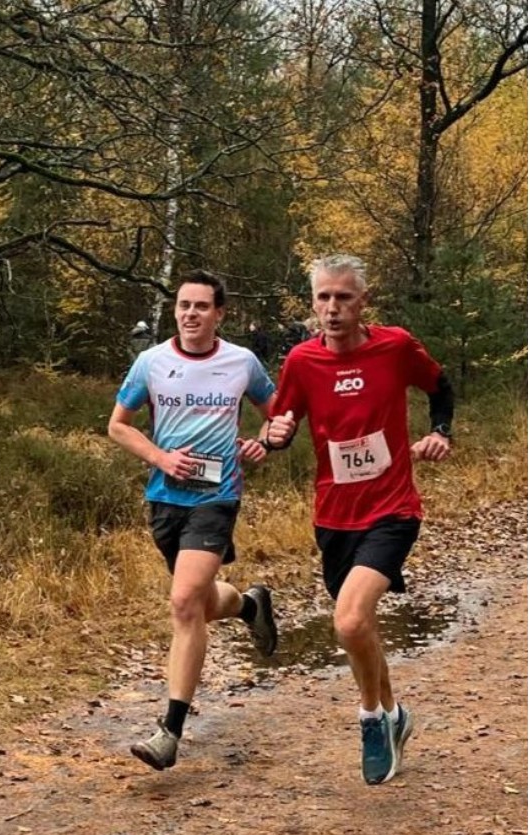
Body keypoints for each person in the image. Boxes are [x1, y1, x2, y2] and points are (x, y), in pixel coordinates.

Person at [261, 254, 454, 786]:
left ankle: (371, 719)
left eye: (343, 297)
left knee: (348, 621)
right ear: (313, 302)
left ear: (363, 301)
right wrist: (275, 436)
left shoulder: (395, 347)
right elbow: (281, 421)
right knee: (359, 626)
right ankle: (395, 714)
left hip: (393, 509)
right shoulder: (301, 360)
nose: (332, 308)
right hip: (334, 516)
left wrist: (440, 431)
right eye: (323, 297)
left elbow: (440, 385)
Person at [108, 269, 294, 771]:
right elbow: (118, 426)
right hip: (165, 498)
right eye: (184, 305)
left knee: (184, 602)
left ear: (219, 314)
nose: (191, 314)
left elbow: (281, 417)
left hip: (217, 496)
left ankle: (169, 730)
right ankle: (249, 605)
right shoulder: (151, 362)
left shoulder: (241, 362)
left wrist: (266, 442)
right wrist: (161, 458)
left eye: (201, 306)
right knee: (199, 601)